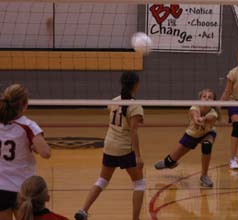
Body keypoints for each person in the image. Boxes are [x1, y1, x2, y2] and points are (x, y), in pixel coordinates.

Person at [75, 71, 145, 220]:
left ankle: (83, 210)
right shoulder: (135, 107)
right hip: (124, 148)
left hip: (109, 146)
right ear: (136, 85)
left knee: (102, 180)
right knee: (139, 184)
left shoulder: (114, 101)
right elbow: (133, 132)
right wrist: (138, 156)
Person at [0, 84, 51, 220]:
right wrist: (34, 147)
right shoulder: (28, 125)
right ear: (25, 104)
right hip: (22, 188)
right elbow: (46, 153)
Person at [154, 89, 220, 187]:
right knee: (169, 162)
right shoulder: (194, 107)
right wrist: (197, 119)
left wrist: (204, 119)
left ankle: (204, 175)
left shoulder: (213, 113)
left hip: (208, 133)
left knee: (207, 145)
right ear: (200, 99)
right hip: (192, 135)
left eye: (209, 97)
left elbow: (210, 118)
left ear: (214, 101)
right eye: (204, 97)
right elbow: (194, 115)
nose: (206, 99)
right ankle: (168, 163)